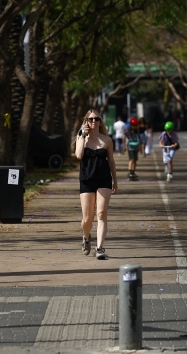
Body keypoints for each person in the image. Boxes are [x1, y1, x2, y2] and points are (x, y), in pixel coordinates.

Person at [75, 109, 118, 260]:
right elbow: (79, 155)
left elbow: (111, 161)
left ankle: (99, 248)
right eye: (91, 119)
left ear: (100, 121)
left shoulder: (107, 140)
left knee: (101, 214)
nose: (94, 121)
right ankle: (86, 238)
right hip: (86, 179)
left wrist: (115, 180)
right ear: (86, 121)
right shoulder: (82, 138)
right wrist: (82, 136)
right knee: (87, 218)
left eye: (96, 119)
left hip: (104, 179)